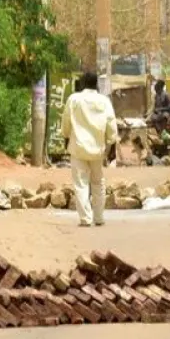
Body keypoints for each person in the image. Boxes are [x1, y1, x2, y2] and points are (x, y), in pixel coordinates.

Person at [61, 72, 119, 227]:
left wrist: (65, 137)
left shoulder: (74, 99)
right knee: (98, 183)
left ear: (83, 83)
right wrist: (111, 144)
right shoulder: (104, 101)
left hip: (78, 148)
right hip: (98, 149)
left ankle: (85, 219)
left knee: (81, 184)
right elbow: (111, 124)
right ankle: (99, 217)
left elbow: (66, 122)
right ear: (96, 84)